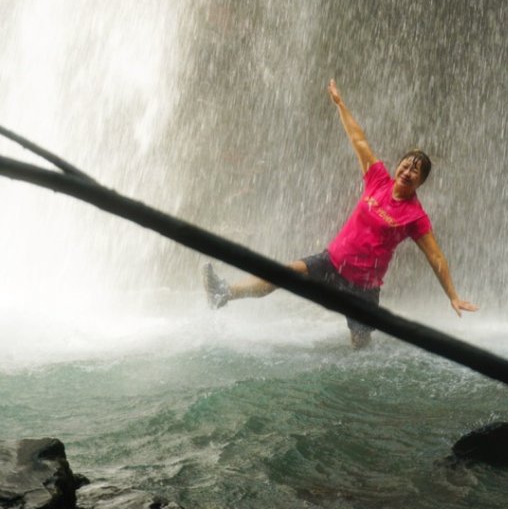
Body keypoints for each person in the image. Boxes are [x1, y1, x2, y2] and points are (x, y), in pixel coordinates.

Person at [203, 79, 478, 348]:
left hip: (363, 288)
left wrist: (452, 296)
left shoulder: (415, 216)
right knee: (282, 274)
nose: (406, 172)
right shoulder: (378, 179)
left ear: (421, 181)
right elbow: (359, 140)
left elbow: (435, 256)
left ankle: (355, 388)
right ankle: (223, 293)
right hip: (331, 262)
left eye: (414, 171)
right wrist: (340, 104)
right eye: (405, 166)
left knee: (360, 347)